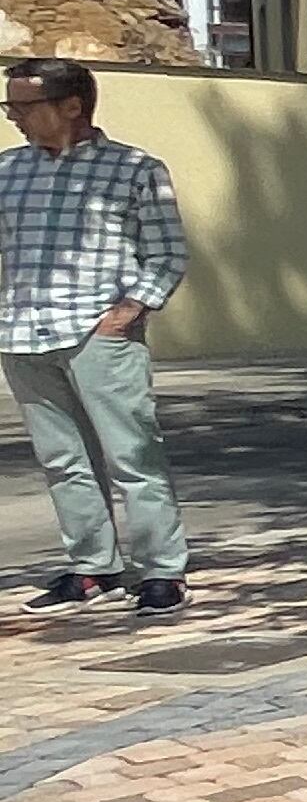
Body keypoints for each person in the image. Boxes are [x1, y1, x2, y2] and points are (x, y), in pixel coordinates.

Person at [1, 58, 192, 615]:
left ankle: (162, 571)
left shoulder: (135, 170)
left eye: (23, 105)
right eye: (9, 105)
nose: (12, 116)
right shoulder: (7, 170)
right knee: (63, 460)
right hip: (23, 334)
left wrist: (127, 313)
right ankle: (93, 569)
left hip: (98, 333)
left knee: (134, 456)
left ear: (71, 106)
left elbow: (166, 254)